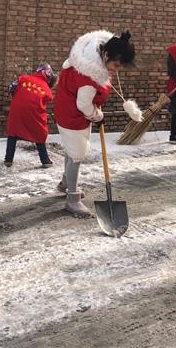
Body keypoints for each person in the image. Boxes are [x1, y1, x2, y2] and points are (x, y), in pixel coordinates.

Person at [54, 30, 136, 217]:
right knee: (76, 154)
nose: (116, 69)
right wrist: (97, 115)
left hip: (65, 109)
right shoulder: (90, 77)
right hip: (73, 115)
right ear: (106, 55)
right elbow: (83, 105)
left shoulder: (89, 57)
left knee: (71, 149)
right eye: (116, 64)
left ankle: (67, 183)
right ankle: (72, 200)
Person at [4, 63, 57, 168]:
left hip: (17, 110)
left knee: (13, 132)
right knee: (39, 134)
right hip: (34, 113)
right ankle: (45, 160)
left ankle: (8, 160)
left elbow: (11, 88)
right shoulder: (46, 89)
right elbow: (49, 98)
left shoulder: (23, 78)